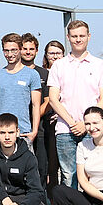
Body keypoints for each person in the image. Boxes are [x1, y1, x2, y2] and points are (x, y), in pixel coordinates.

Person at [48, 20, 103, 188]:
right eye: (74, 36)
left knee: (95, 174)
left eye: (82, 36)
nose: (78, 39)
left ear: (89, 36)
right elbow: (53, 99)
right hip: (65, 130)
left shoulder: (99, 65)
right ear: (68, 37)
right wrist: (72, 123)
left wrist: (86, 123)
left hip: (92, 129)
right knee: (68, 176)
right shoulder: (58, 66)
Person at [0, 33, 42, 150]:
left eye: (13, 50)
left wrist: (34, 131)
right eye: (6, 51)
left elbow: (36, 105)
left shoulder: (32, 75)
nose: (10, 54)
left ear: (20, 49)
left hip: (23, 133)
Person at [21, 33, 51, 183]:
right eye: (24, 48)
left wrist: (34, 115)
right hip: (19, 130)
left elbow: (49, 101)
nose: (28, 52)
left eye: (31, 49)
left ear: (37, 51)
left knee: (41, 170)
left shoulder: (44, 73)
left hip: (39, 130)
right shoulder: (12, 72)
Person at [42, 40, 66, 192]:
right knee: (50, 166)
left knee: (66, 167)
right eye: (51, 53)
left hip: (65, 122)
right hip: (45, 124)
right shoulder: (42, 73)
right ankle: (50, 198)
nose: (55, 56)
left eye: (58, 53)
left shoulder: (69, 71)